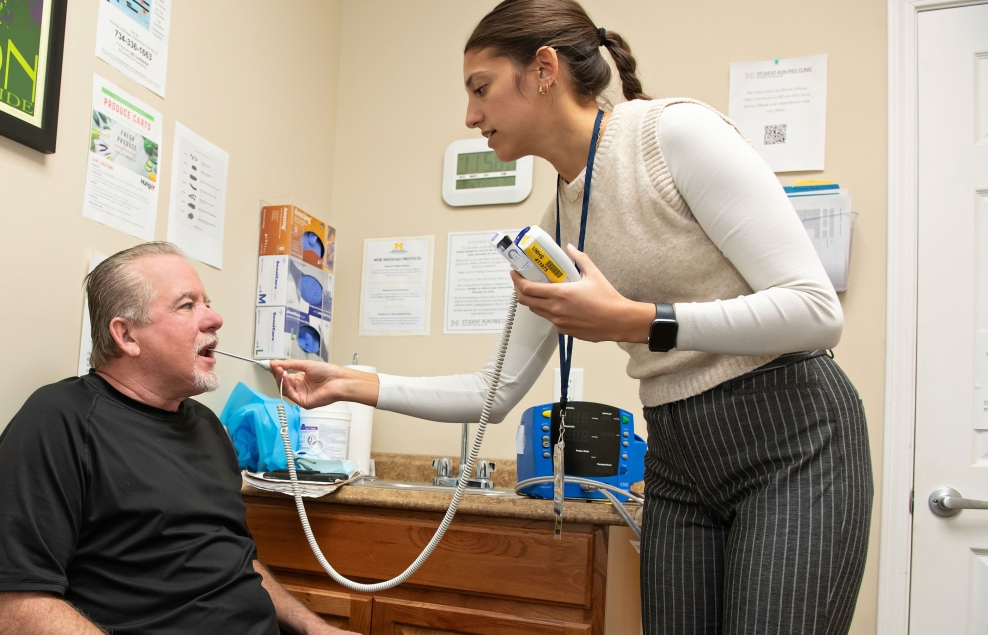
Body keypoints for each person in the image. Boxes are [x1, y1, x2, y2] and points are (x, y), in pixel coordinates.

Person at [271, 1, 873, 634]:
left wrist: (635, 320)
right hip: (679, 454)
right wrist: (348, 385)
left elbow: (815, 312)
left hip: (789, 438)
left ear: (544, 70)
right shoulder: (558, 220)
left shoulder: (672, 135)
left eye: (481, 89)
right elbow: (494, 392)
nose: (470, 115)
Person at [0, 242, 351, 635]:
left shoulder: (206, 427)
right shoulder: (58, 420)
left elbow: (238, 563)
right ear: (126, 335)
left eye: (208, 303)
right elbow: (15, 612)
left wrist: (316, 628)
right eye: (188, 305)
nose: (214, 318)